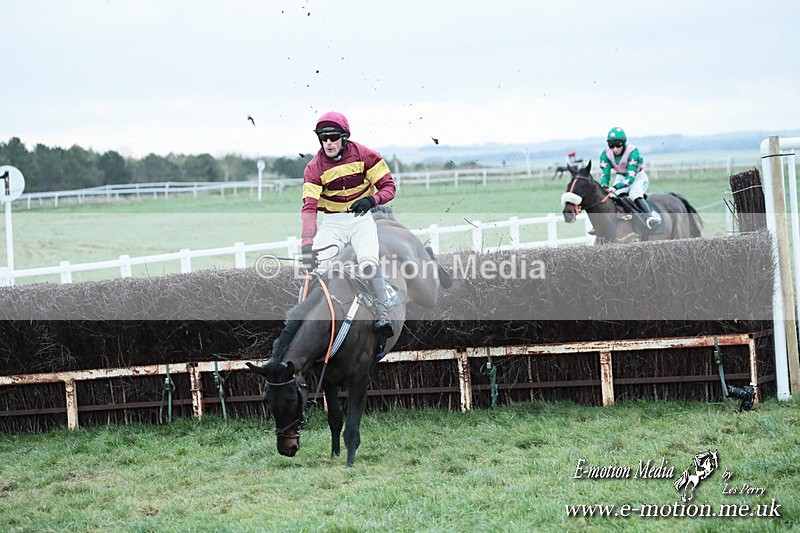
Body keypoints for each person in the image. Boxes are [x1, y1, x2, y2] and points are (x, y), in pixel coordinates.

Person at [300, 111, 396, 338]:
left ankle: (383, 315)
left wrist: (372, 200)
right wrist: (307, 243)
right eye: (324, 139)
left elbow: (389, 187)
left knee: (368, 263)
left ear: (344, 137)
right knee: (313, 268)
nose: (328, 143)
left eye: (333, 137)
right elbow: (309, 208)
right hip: (332, 222)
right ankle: (300, 320)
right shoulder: (313, 168)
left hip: (360, 219)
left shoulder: (366, 155)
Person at [599, 127, 661, 229]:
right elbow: (605, 174)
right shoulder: (605, 154)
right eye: (611, 145)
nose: (614, 149)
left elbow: (630, 179)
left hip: (637, 177)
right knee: (612, 197)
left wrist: (615, 186)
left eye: (618, 145)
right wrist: (604, 185)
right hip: (621, 176)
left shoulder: (632, 151)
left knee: (634, 194)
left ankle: (650, 217)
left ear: (623, 143)